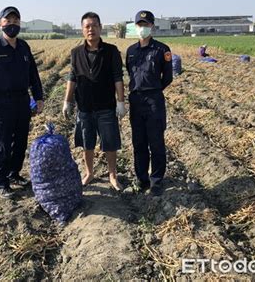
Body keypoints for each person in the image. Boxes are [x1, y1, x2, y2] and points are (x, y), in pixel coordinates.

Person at [0, 6, 44, 198]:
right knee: (3, 143)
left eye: (16, 21)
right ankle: (1, 181)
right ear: (0, 24)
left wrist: (38, 97)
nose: (12, 24)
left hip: (23, 100)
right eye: (8, 21)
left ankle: (15, 174)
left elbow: (33, 74)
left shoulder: (24, 47)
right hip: (2, 102)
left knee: (21, 140)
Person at [62, 12, 126, 191]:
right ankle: (89, 173)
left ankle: (112, 174)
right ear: (82, 30)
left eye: (94, 26)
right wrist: (67, 101)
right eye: (87, 26)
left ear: (100, 28)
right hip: (84, 107)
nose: (91, 30)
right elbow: (72, 77)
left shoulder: (111, 51)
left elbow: (117, 77)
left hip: (106, 106)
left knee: (110, 142)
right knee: (86, 142)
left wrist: (120, 102)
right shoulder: (76, 53)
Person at [126, 10, 173, 196]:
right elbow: (130, 73)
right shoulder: (131, 51)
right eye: (139, 25)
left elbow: (167, 77)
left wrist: (154, 90)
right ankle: (141, 178)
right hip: (136, 100)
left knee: (156, 142)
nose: (142, 28)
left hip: (154, 100)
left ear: (152, 26)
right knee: (139, 142)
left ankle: (156, 180)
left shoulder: (162, 50)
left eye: (146, 25)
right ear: (135, 26)